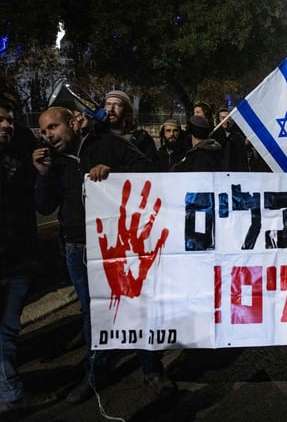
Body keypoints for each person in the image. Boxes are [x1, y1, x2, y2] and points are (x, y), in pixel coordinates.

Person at [33, 107, 176, 404]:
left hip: (117, 243)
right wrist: (43, 176)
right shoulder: (53, 162)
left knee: (135, 306)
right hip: (77, 248)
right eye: (44, 131)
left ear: (73, 123)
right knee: (93, 314)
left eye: (54, 127)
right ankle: (94, 374)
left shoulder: (108, 144)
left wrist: (113, 174)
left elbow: (148, 171)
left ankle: (152, 370)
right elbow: (45, 207)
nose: (49, 135)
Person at [0, 100, 53, 413]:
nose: (7, 125)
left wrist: (40, 173)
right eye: (1, 121)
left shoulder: (19, 152)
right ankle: (12, 395)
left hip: (18, 257)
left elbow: (38, 203)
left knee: (8, 329)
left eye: (10, 120)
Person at [104, 90, 159, 165]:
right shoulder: (96, 137)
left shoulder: (143, 139)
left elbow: (151, 167)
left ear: (127, 109)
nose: (111, 109)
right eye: (108, 104)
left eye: (117, 105)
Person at [213, 107, 248, 172]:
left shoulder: (238, 137)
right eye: (222, 118)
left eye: (227, 118)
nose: (225, 121)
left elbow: (243, 160)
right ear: (218, 119)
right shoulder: (213, 137)